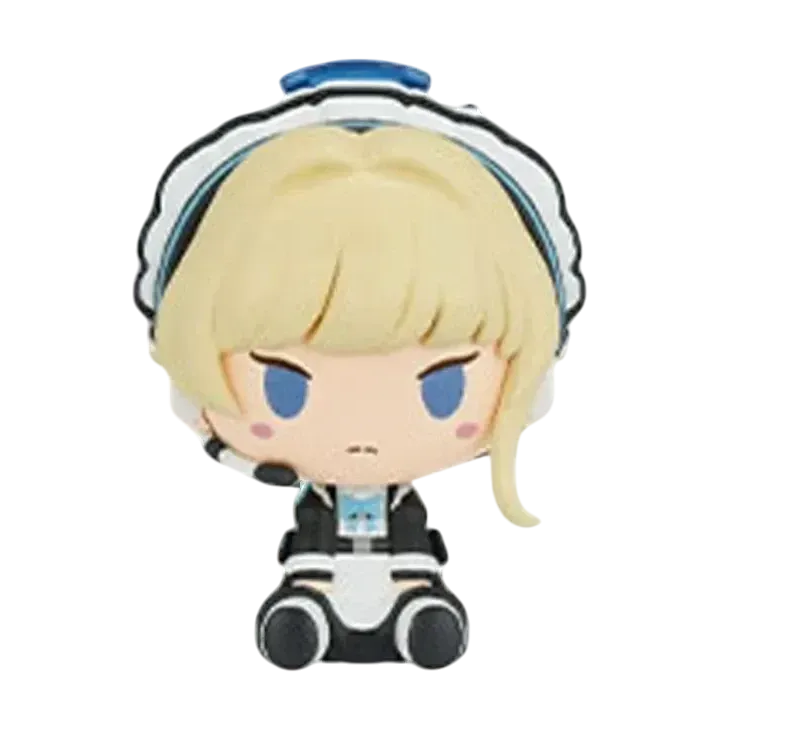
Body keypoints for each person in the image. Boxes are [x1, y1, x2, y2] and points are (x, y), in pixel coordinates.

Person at [132, 60, 581, 671]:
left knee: (415, 583)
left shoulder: (402, 504)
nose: (362, 433)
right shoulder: (313, 497)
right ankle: (306, 618)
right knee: (309, 584)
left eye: (443, 388)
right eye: (284, 387)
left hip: (400, 567)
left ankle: (417, 615)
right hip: (320, 566)